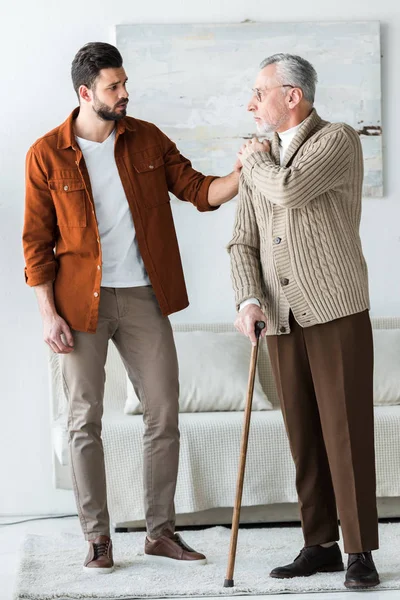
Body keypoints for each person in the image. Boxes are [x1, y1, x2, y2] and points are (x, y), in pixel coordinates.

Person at [23, 41, 240, 573]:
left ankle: (160, 533)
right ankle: (98, 539)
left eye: (124, 83)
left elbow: (198, 191)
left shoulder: (146, 138)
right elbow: (35, 243)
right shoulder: (46, 153)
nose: (125, 93)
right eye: (113, 87)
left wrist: (242, 172)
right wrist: (49, 314)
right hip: (79, 304)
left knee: (164, 413)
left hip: (144, 296)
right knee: (83, 421)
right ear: (85, 92)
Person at [228, 53, 379, 590]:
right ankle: (320, 545)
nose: (252, 103)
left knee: (346, 431)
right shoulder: (258, 157)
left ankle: (360, 550)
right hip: (281, 315)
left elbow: (288, 190)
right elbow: (241, 240)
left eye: (260, 91)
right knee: (304, 435)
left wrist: (254, 161)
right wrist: (248, 299)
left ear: (292, 95)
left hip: (335, 307)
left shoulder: (336, 139)